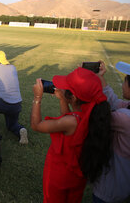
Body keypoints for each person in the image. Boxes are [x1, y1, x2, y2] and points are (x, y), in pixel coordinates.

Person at [31, 67, 113, 203]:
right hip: (77, 176)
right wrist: (63, 100)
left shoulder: (71, 121)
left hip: (59, 176)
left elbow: (36, 125)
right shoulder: (93, 114)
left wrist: (37, 98)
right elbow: (70, 121)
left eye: (65, 87)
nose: (62, 88)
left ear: (73, 98)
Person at [92, 61, 130, 203]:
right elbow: (114, 102)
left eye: (125, 80)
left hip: (111, 185)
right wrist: (100, 77)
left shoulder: (123, 118)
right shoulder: (127, 108)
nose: (123, 84)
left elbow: (98, 119)